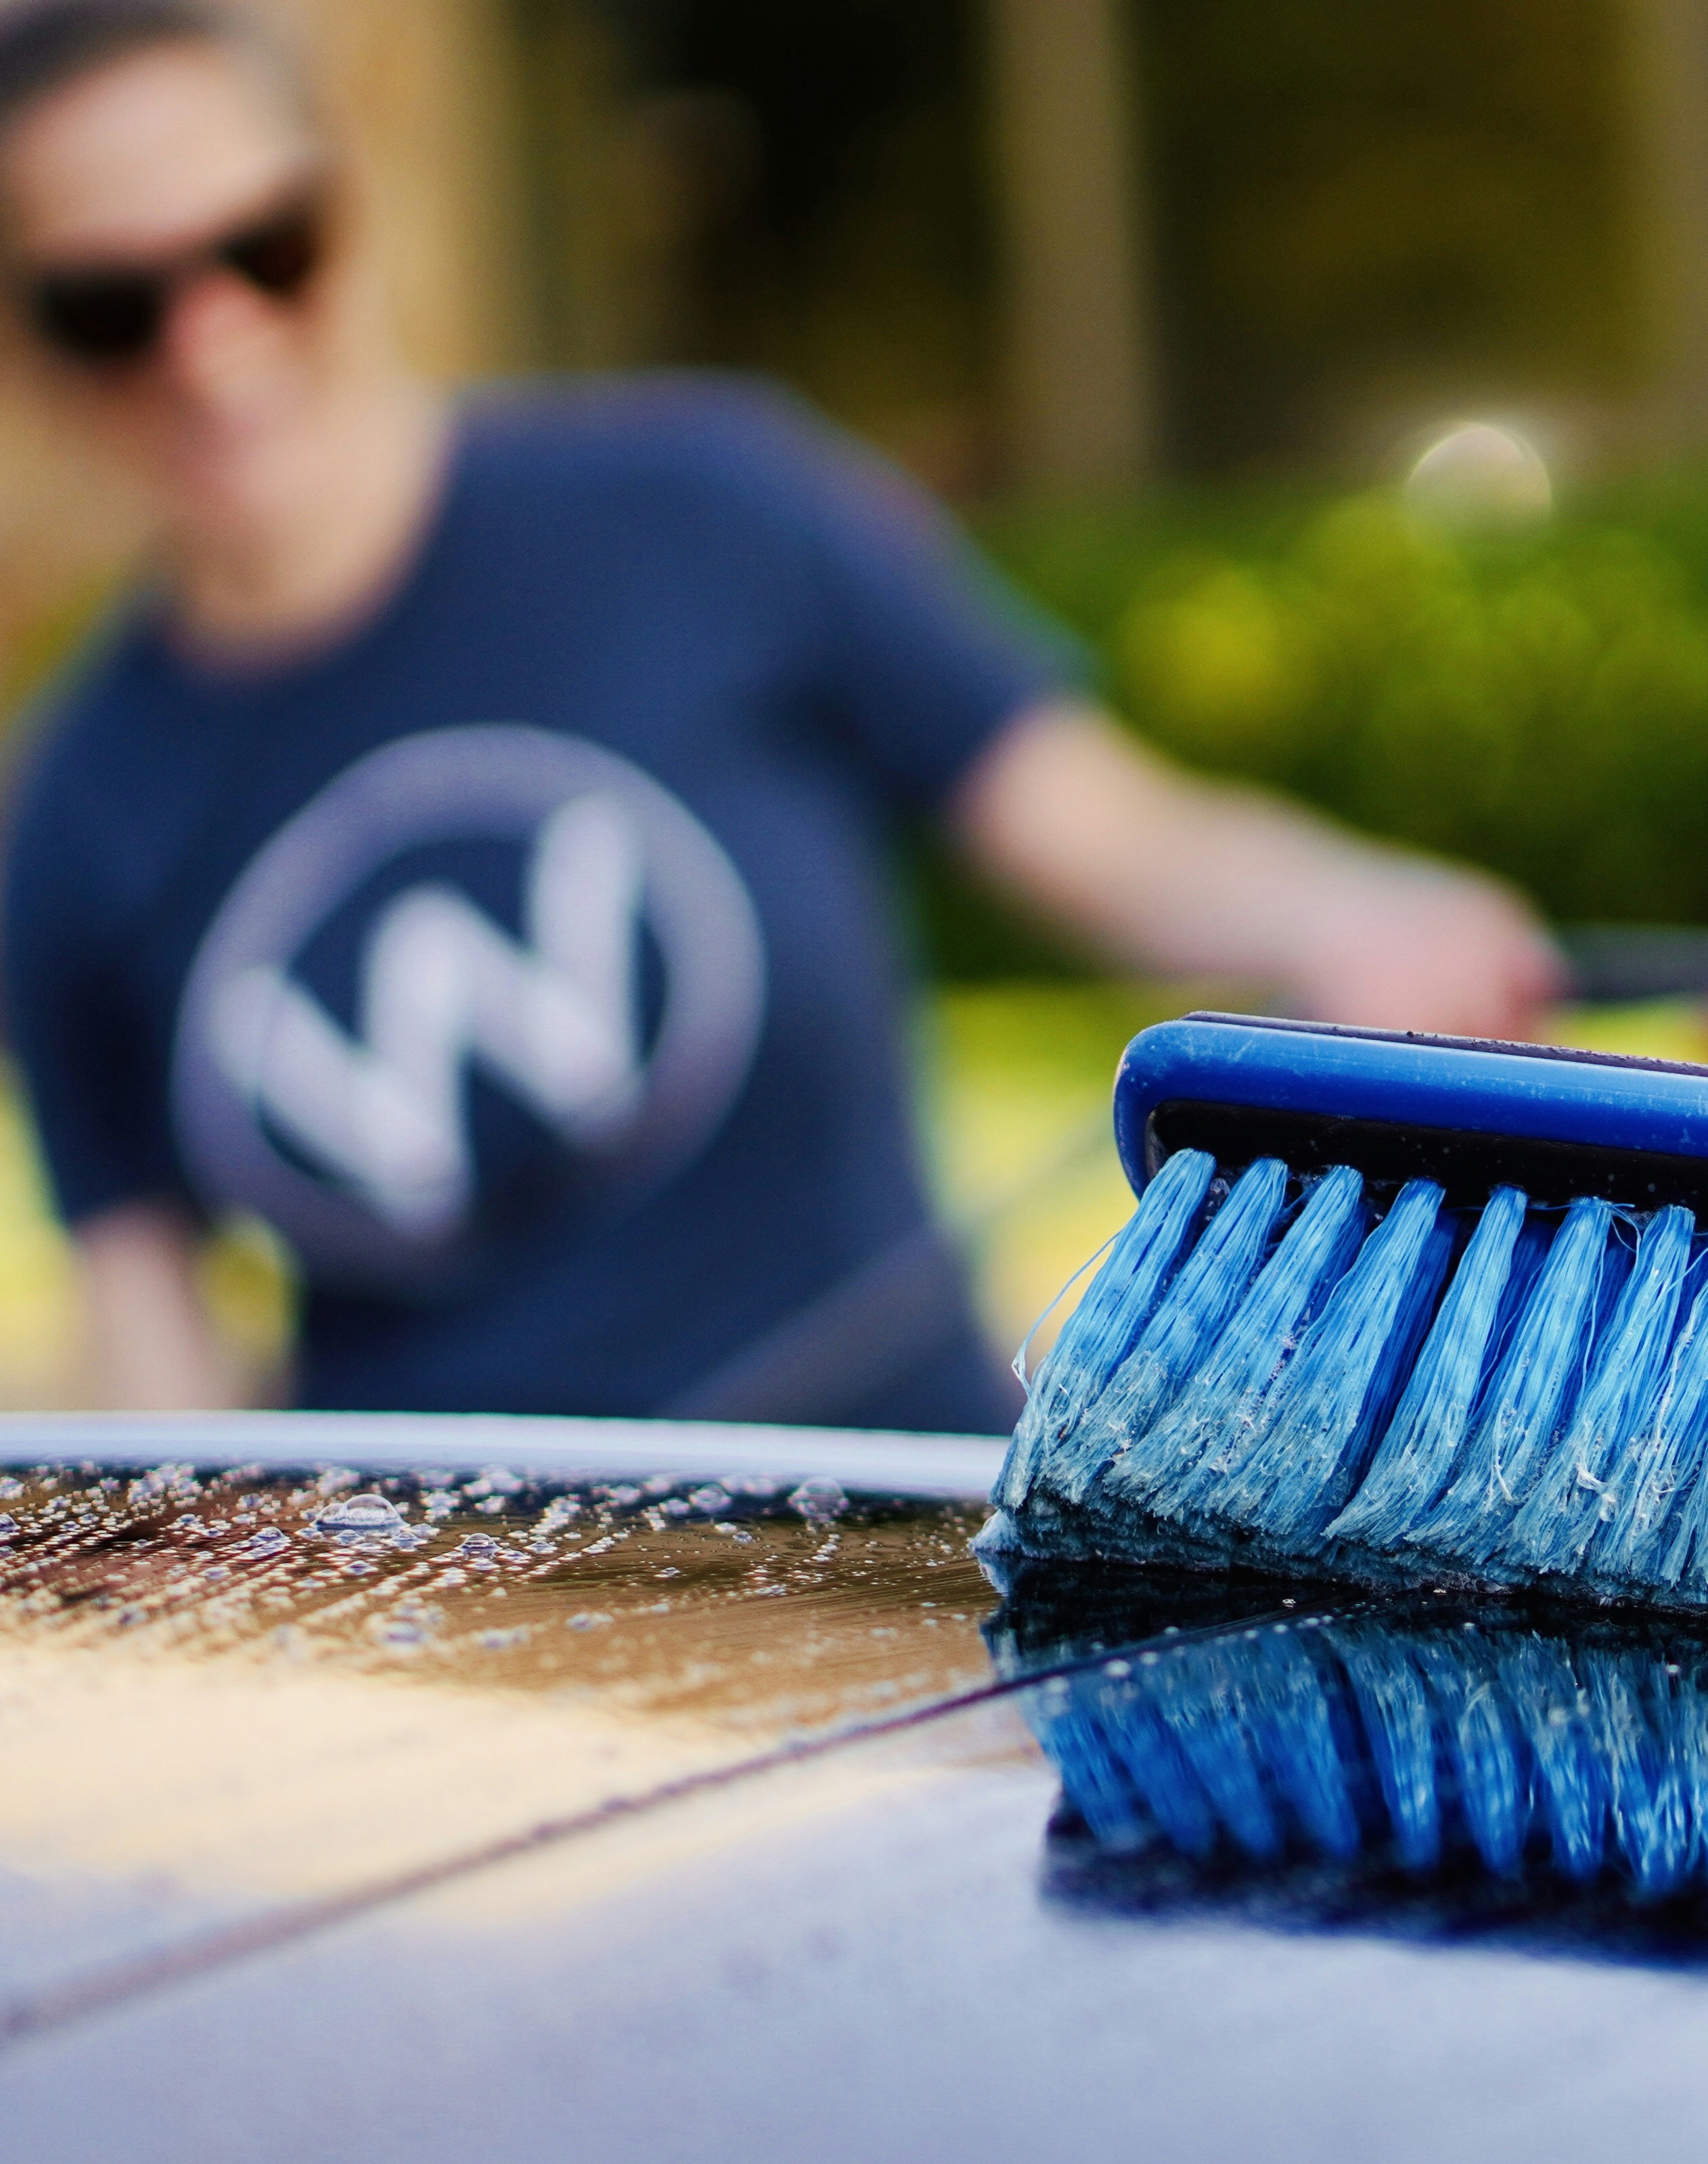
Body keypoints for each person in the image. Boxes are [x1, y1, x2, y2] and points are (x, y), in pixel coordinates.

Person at [0, 0, 1556, 1430]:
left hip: (909, 1556)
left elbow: (1119, 838)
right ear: (30, 349)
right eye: (109, 303)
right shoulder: (72, 808)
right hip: (455, 1669)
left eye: (261, 246)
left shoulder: (712, 505)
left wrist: (1359, 912)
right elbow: (149, 1322)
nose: (208, 337)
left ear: (351, 207)